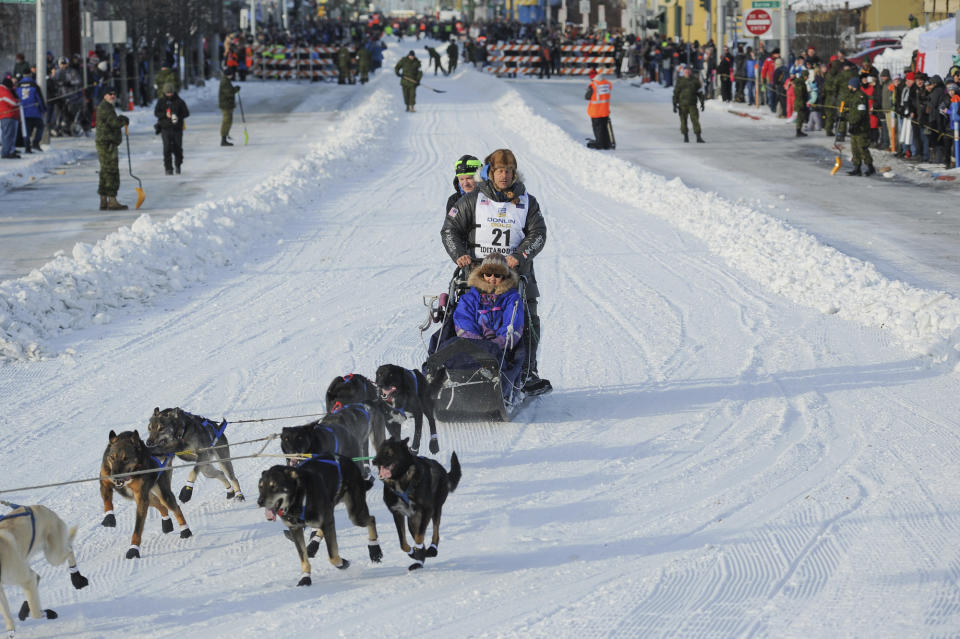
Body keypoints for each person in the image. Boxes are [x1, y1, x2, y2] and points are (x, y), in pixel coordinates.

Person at [440, 149, 551, 396]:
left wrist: (521, 254)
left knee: (527, 320)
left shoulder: (527, 201)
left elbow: (539, 234)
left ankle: (526, 372)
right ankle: (459, 367)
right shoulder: (472, 199)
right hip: (476, 273)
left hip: (516, 273)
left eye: (509, 171)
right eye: (499, 171)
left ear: (515, 173)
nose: (504, 176)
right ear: (490, 172)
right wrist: (459, 254)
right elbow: (450, 230)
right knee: (468, 315)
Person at [453, 253, 524, 352]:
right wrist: (479, 345)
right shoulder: (469, 298)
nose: (492, 278)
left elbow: (513, 321)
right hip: (473, 347)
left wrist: (495, 344)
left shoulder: (511, 298)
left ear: (504, 276)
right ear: (482, 275)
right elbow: (463, 320)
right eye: (488, 274)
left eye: (497, 275)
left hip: (501, 349)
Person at [95, 86, 130, 209]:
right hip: (107, 143)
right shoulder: (105, 107)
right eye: (110, 94)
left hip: (106, 142)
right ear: (105, 95)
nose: (112, 96)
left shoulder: (107, 107)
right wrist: (123, 119)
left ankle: (104, 200)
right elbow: (114, 123)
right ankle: (112, 200)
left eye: (114, 93)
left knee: (105, 170)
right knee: (111, 171)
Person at [842, 77, 875, 177]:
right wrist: (845, 116)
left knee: (862, 148)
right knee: (854, 148)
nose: (848, 87)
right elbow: (852, 110)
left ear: (854, 86)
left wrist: (855, 123)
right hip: (854, 126)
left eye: (850, 85)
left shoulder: (860, 96)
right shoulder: (853, 95)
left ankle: (870, 167)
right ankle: (857, 167)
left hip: (861, 127)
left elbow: (861, 112)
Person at [154, 83, 189, 175]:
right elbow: (156, 113)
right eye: (167, 93)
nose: (169, 95)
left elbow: (186, 113)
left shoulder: (179, 101)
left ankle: (178, 164)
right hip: (165, 128)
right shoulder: (161, 101)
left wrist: (178, 116)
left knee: (178, 148)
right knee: (167, 148)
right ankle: (168, 168)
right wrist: (165, 115)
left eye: (170, 93)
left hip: (177, 128)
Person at [673, 65, 705, 143]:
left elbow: (699, 92)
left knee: (695, 120)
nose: (687, 72)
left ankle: (698, 137)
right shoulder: (680, 80)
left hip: (692, 104)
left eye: (688, 70)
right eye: (685, 70)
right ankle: (685, 136)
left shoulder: (695, 80)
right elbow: (676, 93)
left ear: (690, 71)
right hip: (682, 105)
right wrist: (674, 104)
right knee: (683, 121)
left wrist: (702, 103)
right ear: (683, 71)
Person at [16, 70, 46, 152]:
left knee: (26, 131)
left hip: (23, 112)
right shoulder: (34, 85)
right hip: (35, 112)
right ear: (30, 75)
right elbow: (40, 99)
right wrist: (43, 109)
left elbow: (16, 98)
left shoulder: (18, 85)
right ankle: (35, 143)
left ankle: (27, 147)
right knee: (40, 126)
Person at [585, 69, 613, 149]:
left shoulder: (593, 85)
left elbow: (587, 97)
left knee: (597, 129)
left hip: (595, 111)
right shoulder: (607, 84)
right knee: (604, 128)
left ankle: (600, 144)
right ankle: (606, 143)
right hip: (605, 110)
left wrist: (588, 90)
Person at [219, 67, 240, 147]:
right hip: (226, 105)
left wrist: (234, 89)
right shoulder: (225, 81)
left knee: (229, 121)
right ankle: (223, 139)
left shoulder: (226, 81)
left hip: (228, 104)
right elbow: (229, 92)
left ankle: (225, 136)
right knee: (226, 121)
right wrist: (235, 89)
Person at [0, 75, 20, 159]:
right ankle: (6, 152)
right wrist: (18, 101)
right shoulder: (4, 91)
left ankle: (8, 151)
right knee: (8, 135)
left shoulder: (4, 90)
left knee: (7, 135)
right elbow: (13, 103)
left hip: (7, 115)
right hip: (7, 115)